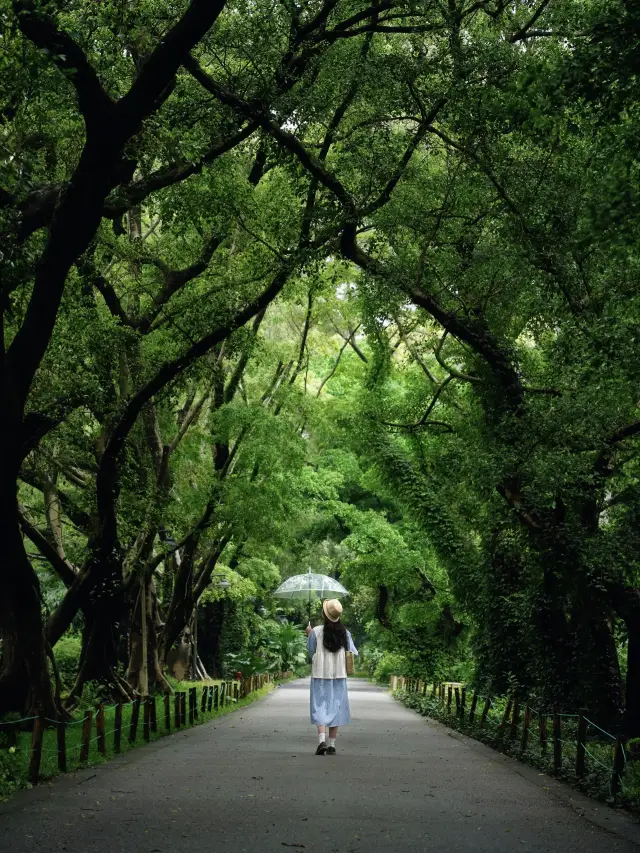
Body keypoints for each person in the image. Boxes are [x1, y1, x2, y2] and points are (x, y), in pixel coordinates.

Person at [306, 598, 358, 756]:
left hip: (320, 674)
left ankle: (321, 741)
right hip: (339, 675)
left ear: (324, 613)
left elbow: (310, 652)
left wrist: (309, 634)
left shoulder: (316, 631)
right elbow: (353, 651)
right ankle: (332, 745)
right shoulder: (345, 632)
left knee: (319, 705)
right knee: (335, 707)